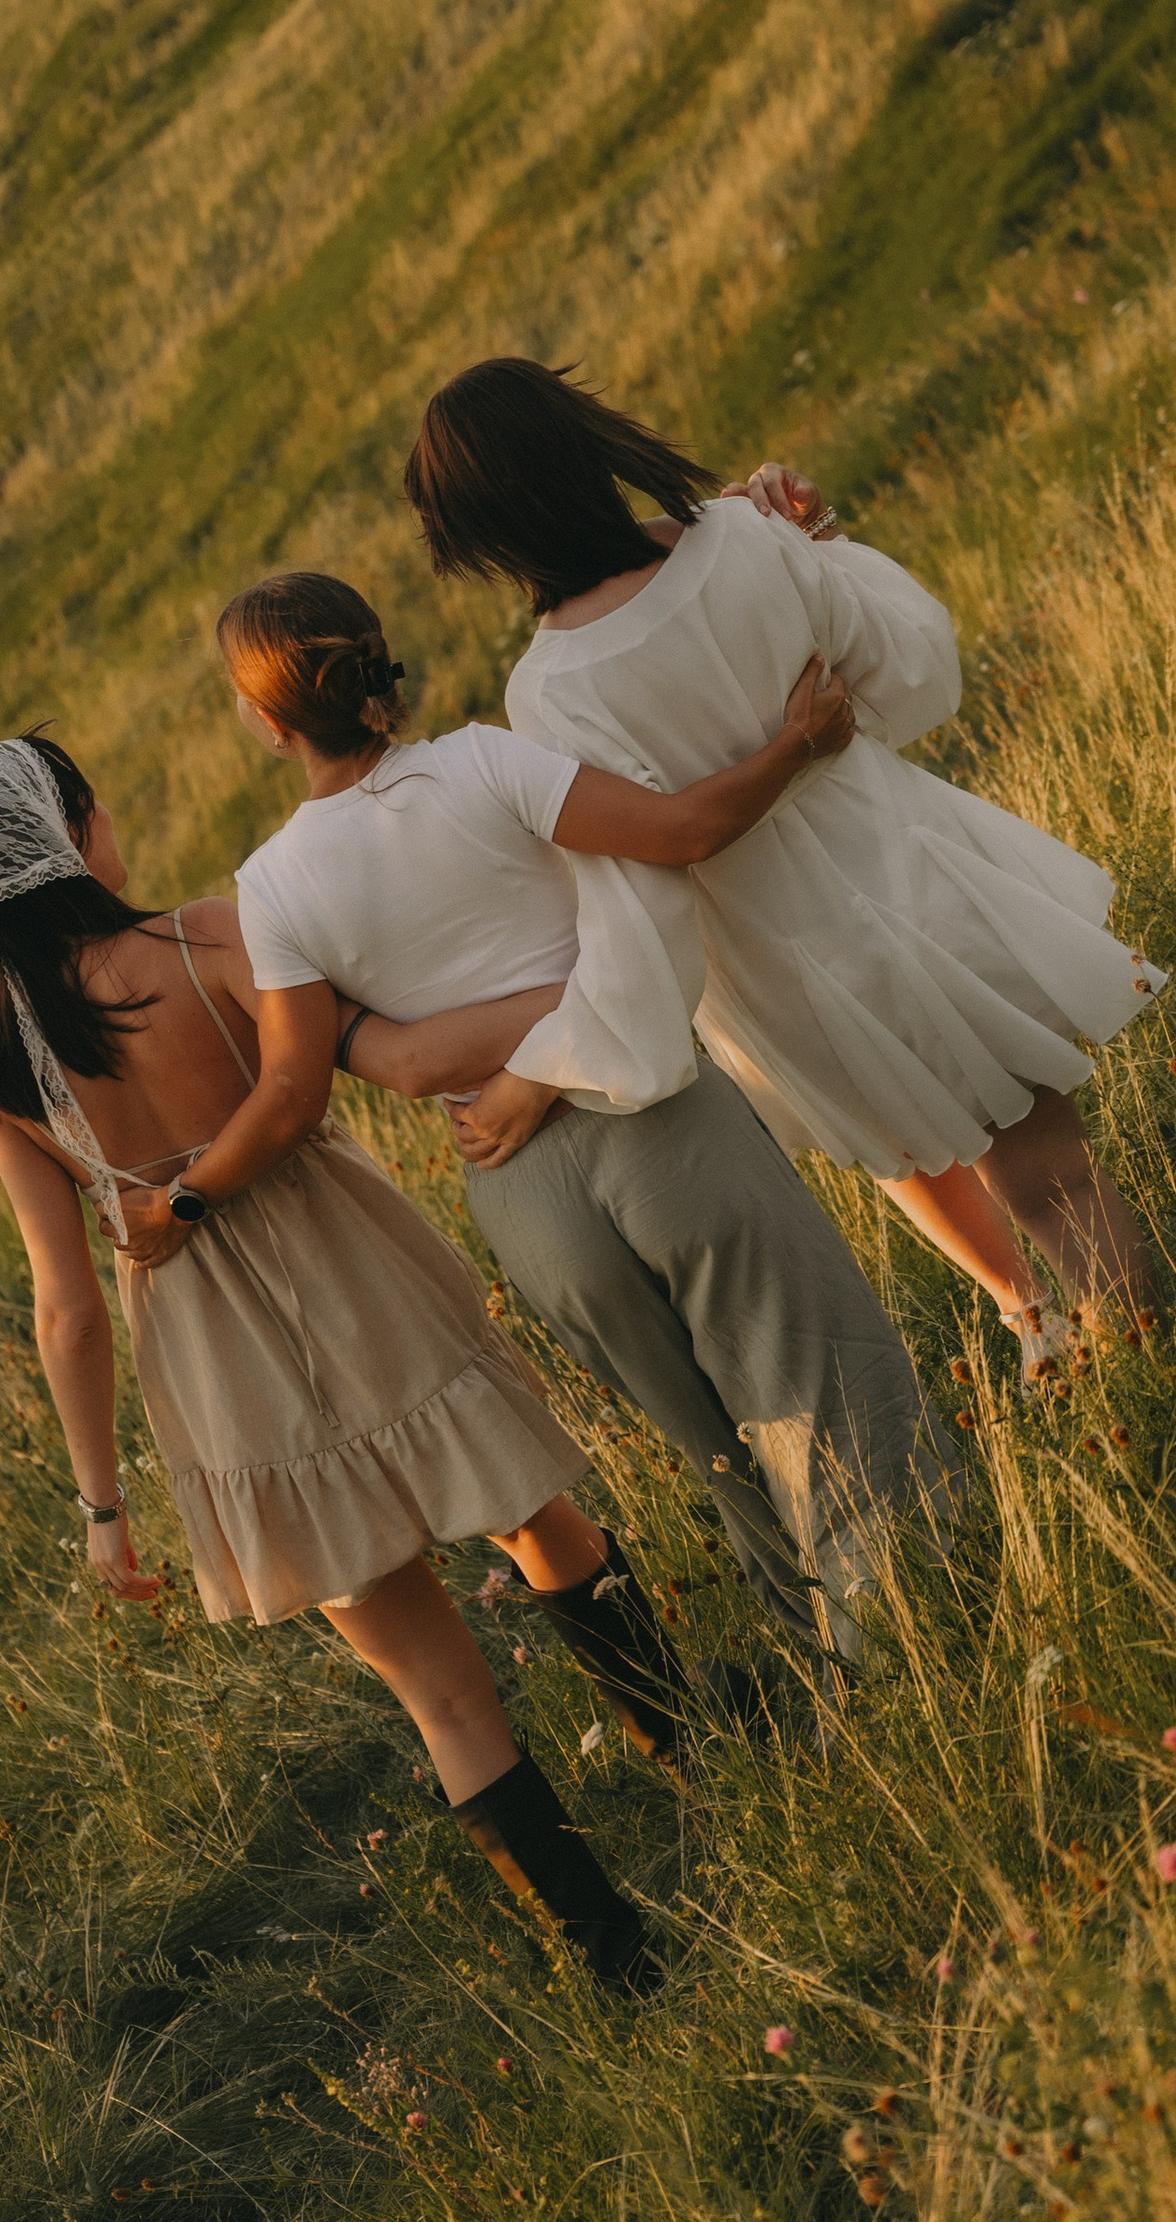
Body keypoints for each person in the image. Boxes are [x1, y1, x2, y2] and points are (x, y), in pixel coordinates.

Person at [0, 729, 782, 1997]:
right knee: (536, 1516)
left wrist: (104, 1508)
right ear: (71, 834)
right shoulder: (205, 939)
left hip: (210, 1349)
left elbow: (66, 1308)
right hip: (350, 1264)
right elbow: (334, 1073)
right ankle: (686, 1740)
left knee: (435, 1687)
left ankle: (617, 1959)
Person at [218, 572, 959, 1688]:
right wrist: (795, 743)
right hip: (652, 1112)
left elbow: (383, 1066)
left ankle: (829, 1672)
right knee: (819, 1385)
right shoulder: (483, 761)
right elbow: (682, 831)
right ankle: (925, 1641)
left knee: (711, 1447)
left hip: (520, 1193)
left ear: (270, 723)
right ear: (378, 660)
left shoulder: (269, 890)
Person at [401, 360, 1166, 1350]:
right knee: (1048, 1171)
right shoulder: (740, 540)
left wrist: (552, 1062)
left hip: (776, 957)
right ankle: (1142, 1357)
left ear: (483, 533)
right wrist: (812, 552)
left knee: (903, 1143)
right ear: (586, 445)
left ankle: (1079, 1336)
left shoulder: (549, 690)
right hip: (909, 869)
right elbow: (907, 669)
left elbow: (646, 879)